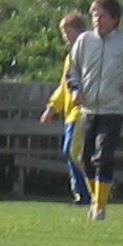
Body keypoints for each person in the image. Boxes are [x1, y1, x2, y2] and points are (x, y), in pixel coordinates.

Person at [66, 0, 123, 220]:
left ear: (115, 19)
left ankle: (100, 207)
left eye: (102, 16)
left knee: (103, 156)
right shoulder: (83, 42)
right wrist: (75, 90)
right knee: (85, 158)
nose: (97, 20)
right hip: (89, 109)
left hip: (113, 109)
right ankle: (95, 199)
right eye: (94, 15)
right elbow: (72, 70)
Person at [39, 10, 91, 205]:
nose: (65, 37)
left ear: (79, 31)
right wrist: (52, 108)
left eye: (68, 32)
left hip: (82, 111)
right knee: (71, 152)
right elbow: (64, 86)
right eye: (64, 33)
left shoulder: (87, 53)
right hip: (70, 114)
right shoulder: (71, 56)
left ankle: (89, 191)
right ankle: (82, 192)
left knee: (73, 151)